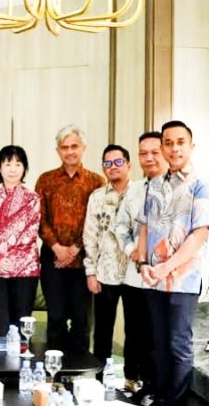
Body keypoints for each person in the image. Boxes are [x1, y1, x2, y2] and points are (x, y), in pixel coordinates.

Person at [137, 121, 209, 406]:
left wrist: (167, 268)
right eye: (168, 143)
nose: (174, 148)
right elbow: (145, 227)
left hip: (183, 279)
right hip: (153, 278)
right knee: (157, 343)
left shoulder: (200, 184)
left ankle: (175, 402)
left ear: (191, 146)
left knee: (178, 344)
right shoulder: (154, 184)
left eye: (180, 142)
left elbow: (200, 234)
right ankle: (161, 398)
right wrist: (143, 263)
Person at [35, 125, 105, 352]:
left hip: (84, 261)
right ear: (58, 151)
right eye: (64, 147)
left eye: (74, 146)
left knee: (81, 319)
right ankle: (53, 368)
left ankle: (79, 368)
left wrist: (74, 249)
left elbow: (98, 222)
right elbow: (40, 219)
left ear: (83, 148)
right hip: (52, 260)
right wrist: (57, 248)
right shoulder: (46, 180)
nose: (70, 151)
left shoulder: (97, 182)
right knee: (55, 317)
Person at [115, 131, 167, 399]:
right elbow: (120, 226)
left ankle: (156, 388)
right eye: (143, 153)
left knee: (157, 335)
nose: (149, 158)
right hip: (135, 276)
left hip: (165, 278)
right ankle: (135, 384)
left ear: (165, 152)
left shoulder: (178, 188)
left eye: (155, 152)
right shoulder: (134, 190)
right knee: (134, 332)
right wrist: (131, 250)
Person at [0, 145, 40, 337]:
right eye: (7, 164)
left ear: (24, 168)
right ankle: (1, 357)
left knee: (22, 325)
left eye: (18, 164)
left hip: (25, 269)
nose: (12, 169)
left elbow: (30, 233)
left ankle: (21, 357)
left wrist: (10, 259)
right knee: (0, 325)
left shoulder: (32, 199)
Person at [83, 144, 132, 371]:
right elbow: (90, 236)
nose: (113, 167)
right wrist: (90, 272)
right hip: (105, 272)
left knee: (136, 330)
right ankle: (100, 378)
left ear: (129, 165)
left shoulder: (140, 193)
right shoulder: (97, 197)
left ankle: (133, 379)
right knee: (102, 330)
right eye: (108, 163)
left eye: (118, 162)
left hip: (134, 274)